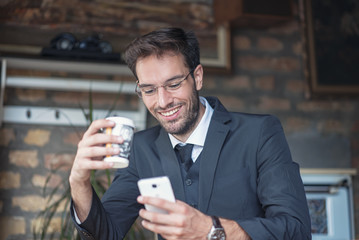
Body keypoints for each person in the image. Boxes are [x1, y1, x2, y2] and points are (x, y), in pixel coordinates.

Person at [69, 27, 312, 240]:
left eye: (173, 84)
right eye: (149, 90)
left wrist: (212, 229)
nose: (163, 101)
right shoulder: (140, 149)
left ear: (197, 77)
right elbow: (106, 234)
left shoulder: (259, 133)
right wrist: (79, 182)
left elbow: (296, 230)